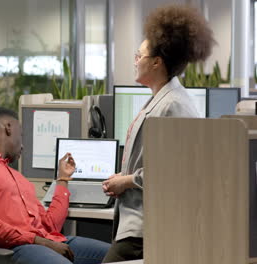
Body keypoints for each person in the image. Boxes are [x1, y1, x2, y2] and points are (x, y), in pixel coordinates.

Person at [101, 5, 215, 263]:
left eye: (138, 56)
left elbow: (178, 171)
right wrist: (124, 177)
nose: (134, 61)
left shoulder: (174, 104)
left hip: (149, 225)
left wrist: (128, 181)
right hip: (139, 220)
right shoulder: (161, 99)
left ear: (156, 62)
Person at [0, 107, 110, 264]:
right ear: (8, 127)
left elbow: (50, 226)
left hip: (47, 241)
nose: (22, 145)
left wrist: (63, 179)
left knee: (118, 254)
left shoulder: (18, 178)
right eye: (21, 135)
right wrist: (40, 241)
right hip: (16, 248)